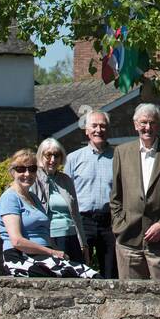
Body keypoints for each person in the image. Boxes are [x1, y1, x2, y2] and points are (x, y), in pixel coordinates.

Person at [110, 103, 160, 279]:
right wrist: (119, 225)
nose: (147, 127)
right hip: (129, 239)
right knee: (130, 299)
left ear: (158, 125)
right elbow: (116, 196)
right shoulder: (122, 153)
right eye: (143, 122)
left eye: (152, 122)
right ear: (135, 124)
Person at [0, 149, 98, 278]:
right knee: (81, 275)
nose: (27, 174)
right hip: (20, 257)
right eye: (21, 169)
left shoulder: (33, 197)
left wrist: (57, 252)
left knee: (88, 273)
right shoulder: (10, 198)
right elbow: (17, 241)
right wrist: (51, 252)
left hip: (42, 256)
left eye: (32, 169)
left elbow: (44, 233)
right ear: (12, 172)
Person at [66, 107, 117, 277]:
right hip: (82, 221)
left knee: (111, 272)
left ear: (108, 129)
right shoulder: (74, 158)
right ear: (87, 130)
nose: (98, 130)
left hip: (109, 221)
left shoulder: (119, 157)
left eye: (102, 126)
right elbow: (65, 193)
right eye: (94, 126)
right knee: (80, 270)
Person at [34, 138, 89, 264]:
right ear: (40, 156)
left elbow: (75, 214)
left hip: (72, 237)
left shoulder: (66, 180)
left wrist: (84, 244)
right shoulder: (34, 179)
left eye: (56, 155)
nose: (52, 160)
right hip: (51, 238)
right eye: (48, 155)